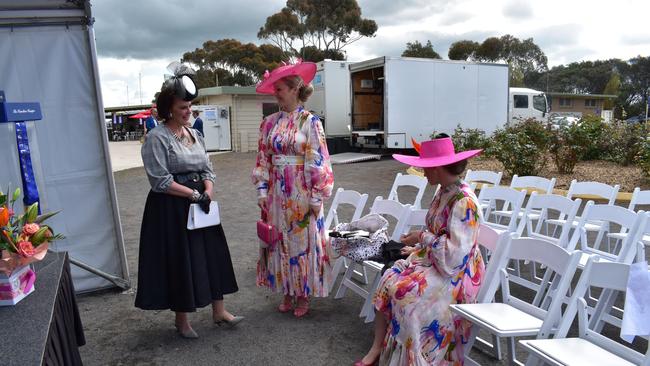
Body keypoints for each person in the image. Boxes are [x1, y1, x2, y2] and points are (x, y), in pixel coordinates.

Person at [355, 135, 485, 365]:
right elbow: (438, 233)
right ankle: (378, 349)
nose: (423, 172)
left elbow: (454, 257)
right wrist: (418, 245)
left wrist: (421, 237)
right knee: (388, 280)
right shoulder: (444, 191)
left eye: (426, 167)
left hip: (456, 275)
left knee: (407, 297)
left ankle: (414, 359)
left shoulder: (464, 201)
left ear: (437, 168)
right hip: (437, 262)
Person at [135, 64, 241, 339]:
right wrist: (194, 195)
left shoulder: (196, 134)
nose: (189, 112)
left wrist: (208, 191)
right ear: (169, 108)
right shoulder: (157, 138)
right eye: (183, 107)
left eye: (190, 107)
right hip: (171, 207)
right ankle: (181, 321)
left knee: (211, 254)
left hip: (201, 202)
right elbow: (160, 180)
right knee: (181, 260)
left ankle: (219, 311)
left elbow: (208, 169)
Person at [252, 60, 334, 318]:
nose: (276, 93)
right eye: (275, 89)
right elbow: (262, 157)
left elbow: (318, 158)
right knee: (279, 242)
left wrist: (317, 195)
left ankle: (303, 293)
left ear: (295, 89)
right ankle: (286, 289)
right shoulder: (268, 123)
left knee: (302, 242)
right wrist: (262, 191)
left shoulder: (310, 122)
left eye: (280, 89)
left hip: (301, 191)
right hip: (277, 192)